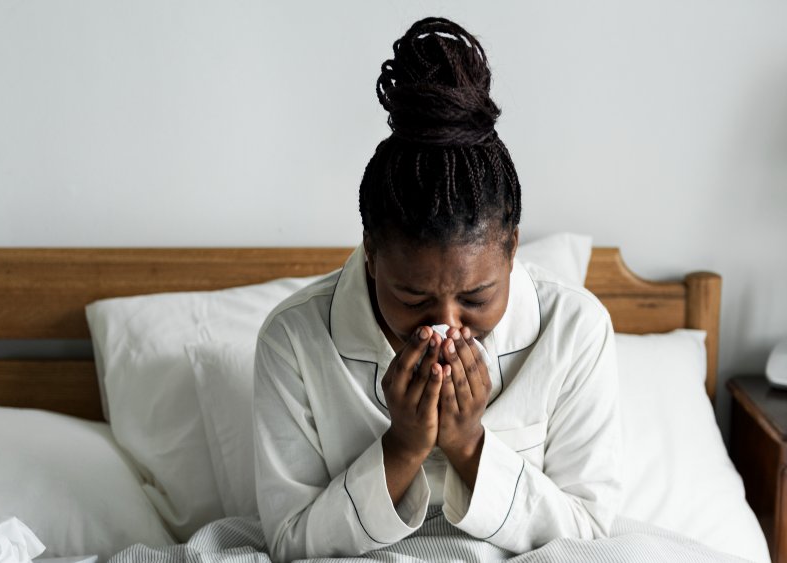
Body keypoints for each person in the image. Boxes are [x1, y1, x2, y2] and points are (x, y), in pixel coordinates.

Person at [252, 17, 621, 562]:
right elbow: (290, 544)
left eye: (474, 299)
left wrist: (469, 445)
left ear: (512, 248)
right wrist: (401, 446)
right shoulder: (294, 339)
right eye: (413, 298)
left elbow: (590, 539)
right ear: (372, 255)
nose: (445, 323)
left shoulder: (575, 330)